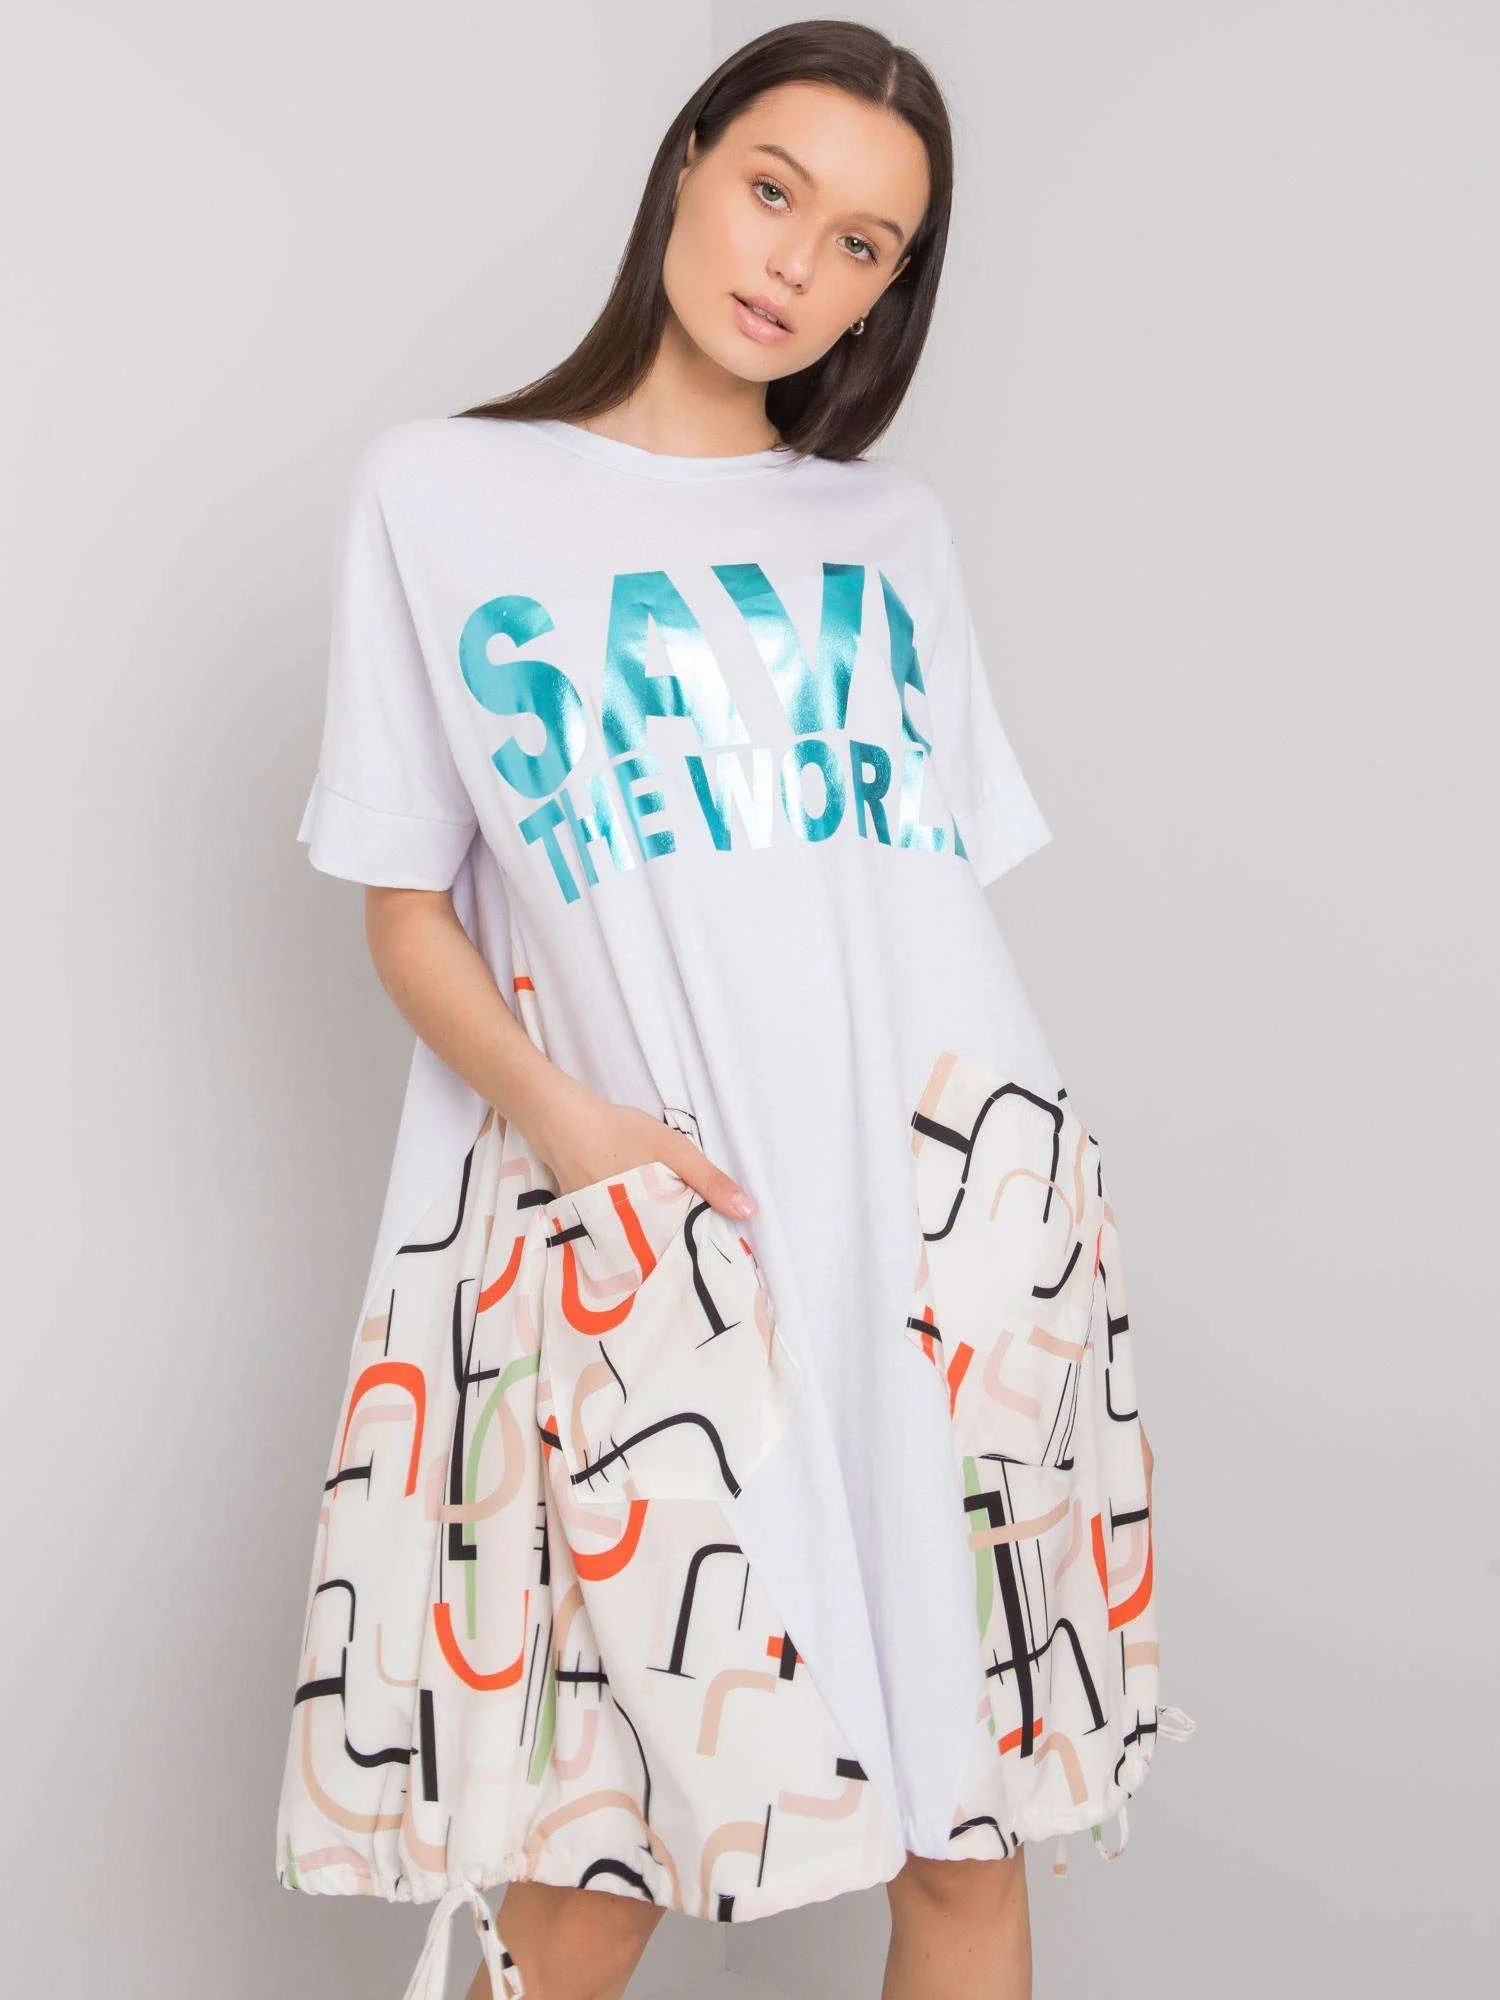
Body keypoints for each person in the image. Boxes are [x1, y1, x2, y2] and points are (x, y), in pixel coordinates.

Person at [273, 19, 1194, 2000]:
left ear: (890, 288)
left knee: (961, 1842)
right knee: (591, 1853)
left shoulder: (891, 533)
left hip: (934, 1246)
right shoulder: (442, 494)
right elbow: (405, 913)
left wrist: (1021, 1218)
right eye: (777, 190)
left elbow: (906, 913)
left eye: (865, 244)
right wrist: (579, 1129)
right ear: (689, 162)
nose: (798, 262)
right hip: (651, 1230)